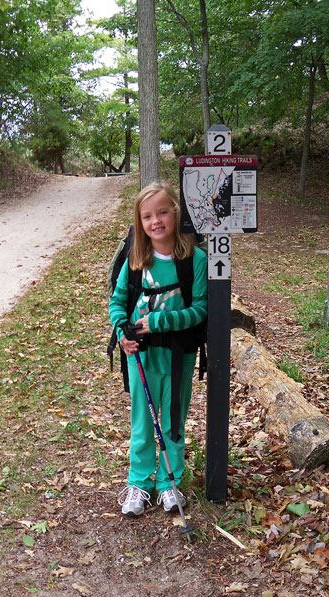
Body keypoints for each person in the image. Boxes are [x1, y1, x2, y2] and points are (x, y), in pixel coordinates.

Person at [109, 181, 208, 517]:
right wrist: (123, 332)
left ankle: (169, 483)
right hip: (141, 355)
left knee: (174, 420)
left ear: (175, 214)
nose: (156, 221)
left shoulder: (195, 259)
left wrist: (159, 322)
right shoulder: (137, 258)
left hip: (179, 355)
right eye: (147, 216)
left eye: (162, 212)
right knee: (142, 420)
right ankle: (139, 483)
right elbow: (118, 302)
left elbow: (200, 311)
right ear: (140, 222)